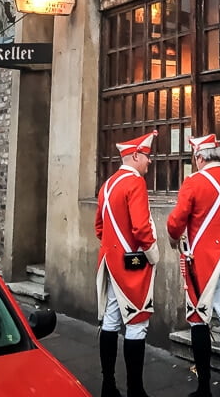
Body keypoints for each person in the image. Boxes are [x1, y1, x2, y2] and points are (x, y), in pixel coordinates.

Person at [166, 134, 220, 397]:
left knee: (199, 322)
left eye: (195, 158)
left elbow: (175, 222)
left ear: (200, 157)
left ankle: (204, 388)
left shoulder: (193, 182)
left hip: (203, 263)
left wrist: (173, 238)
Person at [96, 131, 160, 397]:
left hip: (109, 261)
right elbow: (141, 227)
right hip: (132, 262)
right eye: (147, 156)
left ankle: (108, 384)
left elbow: (99, 228)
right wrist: (152, 253)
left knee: (111, 320)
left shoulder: (107, 184)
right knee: (136, 322)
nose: (149, 162)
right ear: (135, 155)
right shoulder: (135, 184)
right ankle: (135, 389)